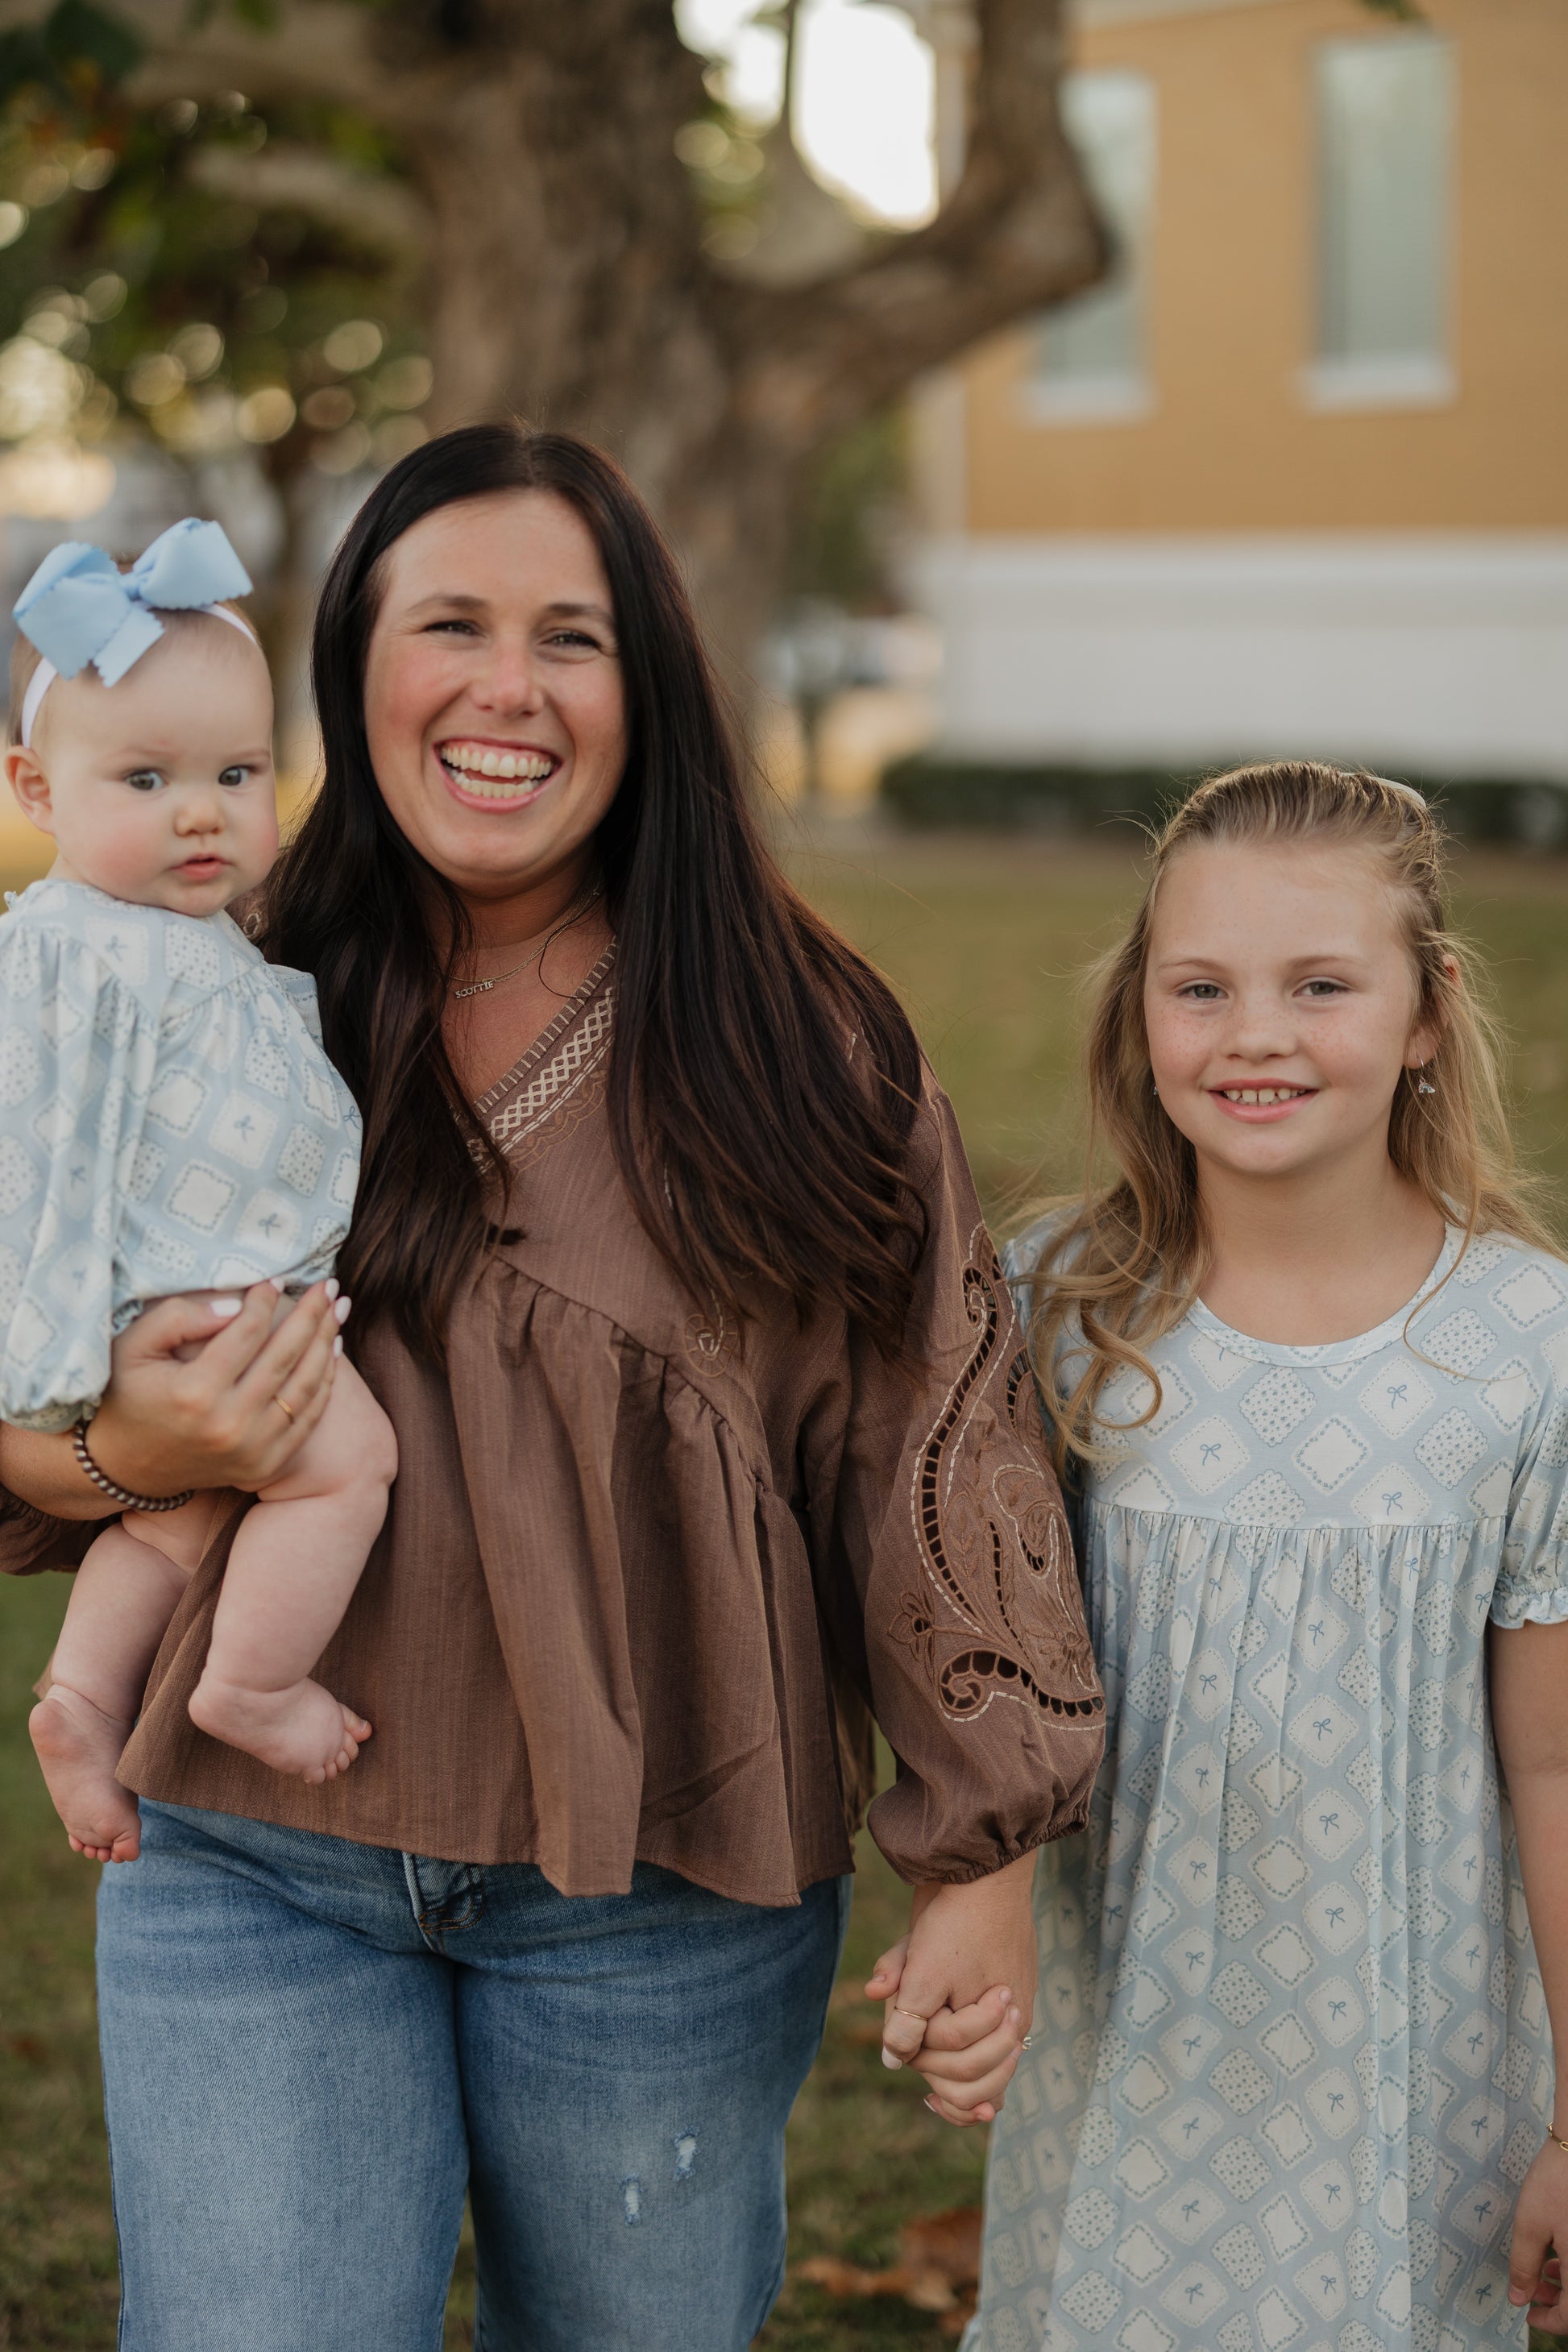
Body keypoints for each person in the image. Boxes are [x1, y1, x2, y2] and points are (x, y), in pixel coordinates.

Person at [0, 425, 1103, 2352]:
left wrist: (981, 1846)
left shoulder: (796, 1045)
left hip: (659, 1883)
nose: (506, 687)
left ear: (646, 685)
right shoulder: (221, 975)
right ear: (355, 668)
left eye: (568, 637)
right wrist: (121, 1450)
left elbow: (932, 1439)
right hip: (255, 1858)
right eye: (450, 624)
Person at [961, 764, 1568, 2351]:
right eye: (1200, 986)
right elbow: (973, 1663)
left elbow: (1556, 1756)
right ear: (1139, 1011)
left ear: (1426, 1010)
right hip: (1131, 2042)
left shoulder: (1525, 1346)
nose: (1254, 1034)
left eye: (1319, 984)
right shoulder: (1053, 1312)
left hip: (1407, 2074)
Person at [1, 521, 395, 1869]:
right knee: (346, 1468)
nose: (199, 811)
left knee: (185, 1513)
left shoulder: (164, 928)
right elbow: (41, 1150)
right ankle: (253, 1686)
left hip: (193, 1293)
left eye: (236, 773)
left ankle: (80, 1700)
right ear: (34, 790)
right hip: (216, 1297)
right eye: (146, 776)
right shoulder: (78, 960)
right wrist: (53, 1348)